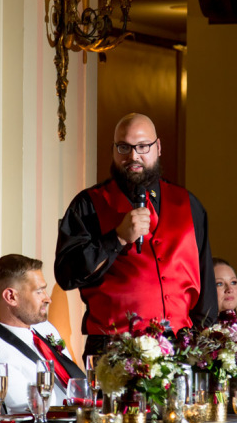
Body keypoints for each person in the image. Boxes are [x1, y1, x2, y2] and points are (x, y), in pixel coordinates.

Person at [55, 112, 218, 358]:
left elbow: (204, 284)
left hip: (180, 347)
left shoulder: (189, 204)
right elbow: (66, 275)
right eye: (124, 147)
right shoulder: (87, 205)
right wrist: (117, 238)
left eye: (143, 146)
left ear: (158, 147)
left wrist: (204, 349)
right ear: (113, 149)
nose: (133, 156)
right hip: (115, 349)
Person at [0, 254, 86, 411]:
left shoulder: (45, 328)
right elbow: (25, 410)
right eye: (39, 292)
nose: (48, 299)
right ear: (11, 297)